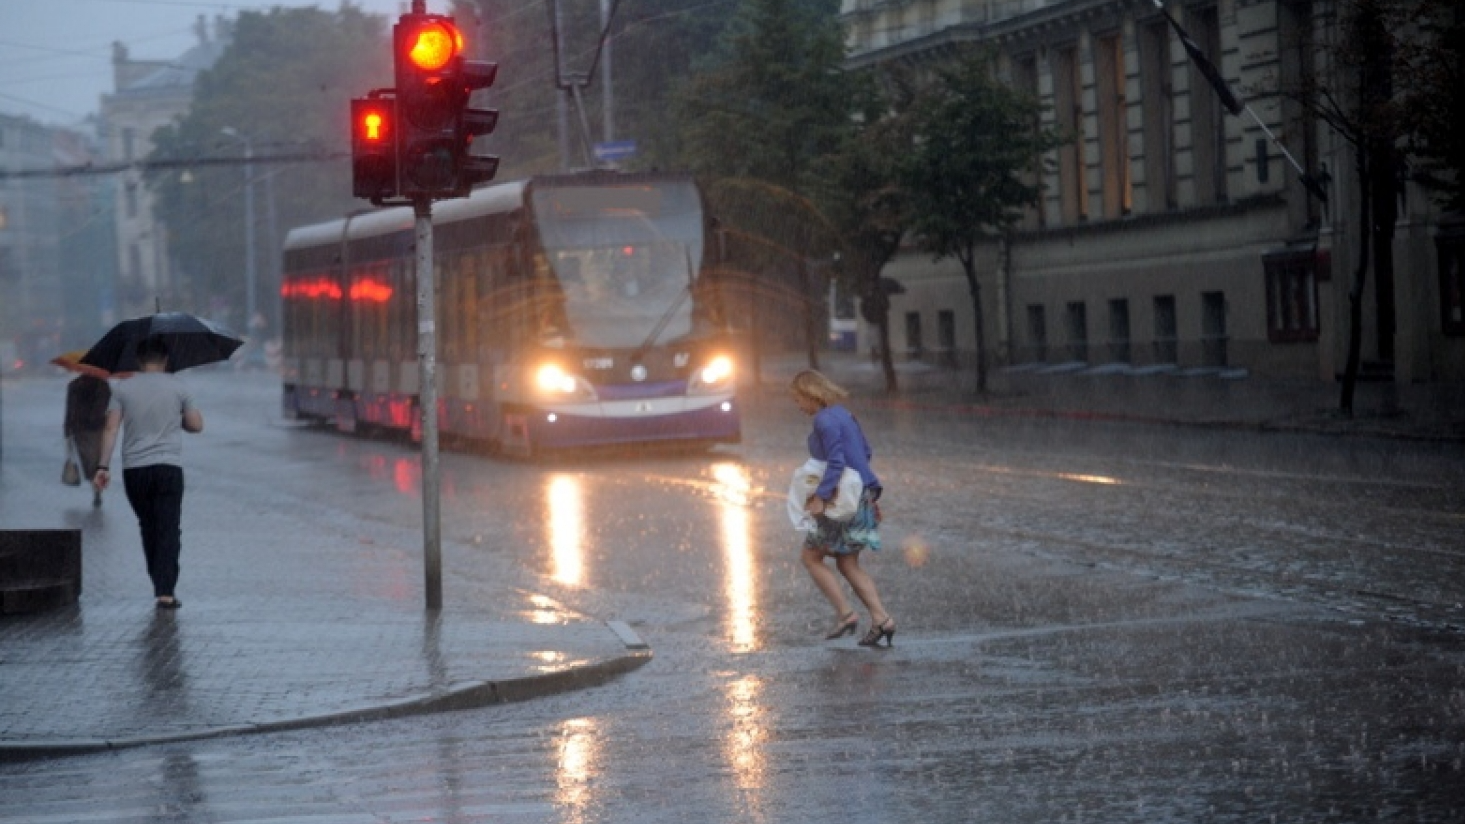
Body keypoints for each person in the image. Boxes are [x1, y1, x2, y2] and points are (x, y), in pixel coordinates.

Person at [93, 336, 204, 609]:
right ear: (166, 359)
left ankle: (158, 579)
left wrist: (102, 466)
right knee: (168, 528)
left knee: (148, 526)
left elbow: (110, 429)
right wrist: (176, 418)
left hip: (135, 470)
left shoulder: (122, 388)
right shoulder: (179, 387)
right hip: (168, 467)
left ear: (139, 361)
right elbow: (196, 425)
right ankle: (165, 589)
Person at [790, 369, 895, 647]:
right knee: (848, 563)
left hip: (842, 499)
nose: (798, 406)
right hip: (861, 494)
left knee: (811, 556)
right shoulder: (844, 415)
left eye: (798, 399)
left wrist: (821, 497)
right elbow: (865, 452)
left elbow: (836, 462)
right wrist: (870, 499)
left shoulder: (824, 421)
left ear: (811, 394)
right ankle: (882, 619)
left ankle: (846, 614)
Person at [64, 373, 111, 507]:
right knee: (96, 461)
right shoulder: (103, 385)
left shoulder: (74, 385)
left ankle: (96, 487)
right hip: (97, 428)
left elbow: (70, 409)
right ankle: (97, 489)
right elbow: (108, 406)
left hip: (81, 429)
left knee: (89, 461)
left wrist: (67, 429)